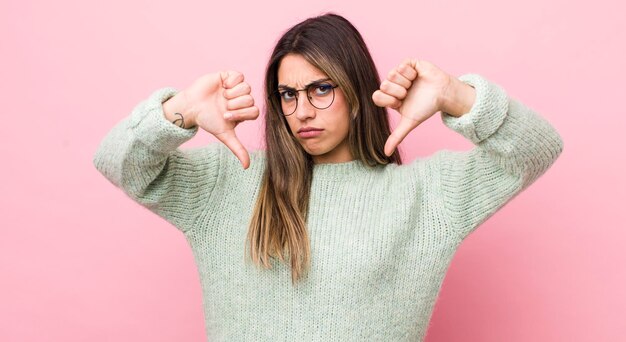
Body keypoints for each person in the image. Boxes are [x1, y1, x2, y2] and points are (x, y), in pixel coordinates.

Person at [93, 12, 563, 342]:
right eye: (287, 94)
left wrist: (456, 96)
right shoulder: (226, 182)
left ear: (357, 90)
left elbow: (537, 148)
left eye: (321, 89)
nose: (302, 111)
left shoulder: (426, 195)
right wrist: (179, 113)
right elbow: (116, 162)